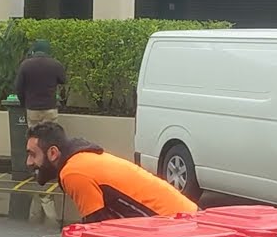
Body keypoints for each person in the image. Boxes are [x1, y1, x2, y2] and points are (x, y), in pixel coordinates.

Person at [25, 121, 197, 223]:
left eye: (33, 155)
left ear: (53, 153)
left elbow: (98, 228)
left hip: (176, 223)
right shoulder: (82, 158)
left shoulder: (73, 173)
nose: (29, 162)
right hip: (185, 215)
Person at [14, 40, 66, 223]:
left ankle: (37, 168)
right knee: (51, 140)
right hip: (50, 108)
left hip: (33, 109)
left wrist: (24, 103)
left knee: (35, 141)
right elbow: (63, 80)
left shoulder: (26, 65)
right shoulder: (55, 64)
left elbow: (18, 88)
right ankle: (52, 166)